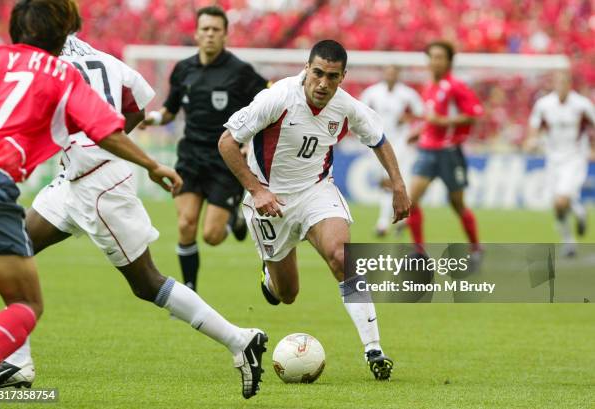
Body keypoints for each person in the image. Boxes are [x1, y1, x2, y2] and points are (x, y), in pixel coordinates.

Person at [0, 34, 268, 400]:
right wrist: (102, 138)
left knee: (147, 283)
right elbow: (136, 102)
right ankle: (17, 363)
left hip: (98, 186)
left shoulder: (46, 64)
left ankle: (240, 339)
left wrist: (100, 145)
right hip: (73, 180)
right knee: (14, 250)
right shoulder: (96, 55)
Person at [0, 1, 181, 407]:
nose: (324, 81)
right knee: (26, 301)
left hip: (312, 198)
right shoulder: (63, 75)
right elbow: (110, 126)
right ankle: (240, 336)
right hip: (1, 186)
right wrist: (152, 163)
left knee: (202, 233)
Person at [218, 40, 411, 380]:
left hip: (315, 191)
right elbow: (227, 143)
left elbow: (378, 139)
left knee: (341, 256)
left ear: (343, 77)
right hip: (270, 201)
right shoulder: (277, 98)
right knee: (286, 294)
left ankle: (374, 349)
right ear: (307, 69)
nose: (323, 83)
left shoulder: (346, 106)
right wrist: (257, 189)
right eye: (318, 73)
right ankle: (269, 274)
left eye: (332, 77)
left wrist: (398, 184)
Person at [140, 6, 269, 291]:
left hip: (225, 160)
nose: (210, 34)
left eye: (216, 30)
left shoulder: (240, 72)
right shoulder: (183, 69)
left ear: (225, 35)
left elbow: (269, 104)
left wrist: (250, 141)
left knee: (211, 235)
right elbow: (171, 110)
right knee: (186, 224)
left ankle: (233, 220)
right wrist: (154, 118)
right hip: (190, 157)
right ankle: (189, 293)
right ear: (197, 34)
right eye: (205, 29)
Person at [405, 40, 483, 254]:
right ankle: (418, 250)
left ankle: (475, 245)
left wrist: (444, 122)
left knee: (456, 203)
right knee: (411, 201)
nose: (435, 61)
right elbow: (431, 118)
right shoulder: (429, 87)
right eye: (432, 57)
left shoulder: (456, 86)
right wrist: (419, 131)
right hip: (427, 150)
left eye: (440, 57)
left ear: (449, 61)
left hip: (449, 152)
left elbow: (475, 114)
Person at [526, 71, 595, 256]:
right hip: (553, 158)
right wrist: (531, 140)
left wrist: (593, 149)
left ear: (569, 84)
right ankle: (576, 221)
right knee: (557, 205)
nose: (560, 87)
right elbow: (534, 124)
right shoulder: (544, 104)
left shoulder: (582, 105)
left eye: (564, 83)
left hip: (575, 157)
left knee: (561, 200)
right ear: (554, 85)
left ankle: (569, 242)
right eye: (557, 83)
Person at [360, 65, 423, 237]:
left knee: (394, 179)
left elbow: (421, 114)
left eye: (393, 74)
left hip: (400, 141)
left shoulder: (407, 94)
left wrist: (408, 120)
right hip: (377, 140)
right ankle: (399, 218)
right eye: (387, 73)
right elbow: (359, 113)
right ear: (383, 75)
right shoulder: (372, 92)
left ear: (398, 75)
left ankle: (383, 222)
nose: (390, 76)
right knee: (384, 182)